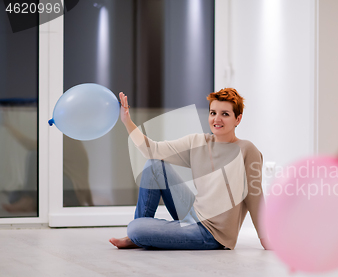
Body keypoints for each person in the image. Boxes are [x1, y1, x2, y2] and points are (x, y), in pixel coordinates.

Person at [109, 88, 270, 250]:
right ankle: (136, 238)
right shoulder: (199, 142)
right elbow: (153, 150)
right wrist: (127, 121)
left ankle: (139, 233)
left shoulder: (247, 150)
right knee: (154, 165)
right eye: (213, 113)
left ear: (238, 119)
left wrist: (265, 239)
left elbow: (254, 196)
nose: (217, 119)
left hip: (211, 232)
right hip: (193, 213)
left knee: (136, 228)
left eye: (225, 114)